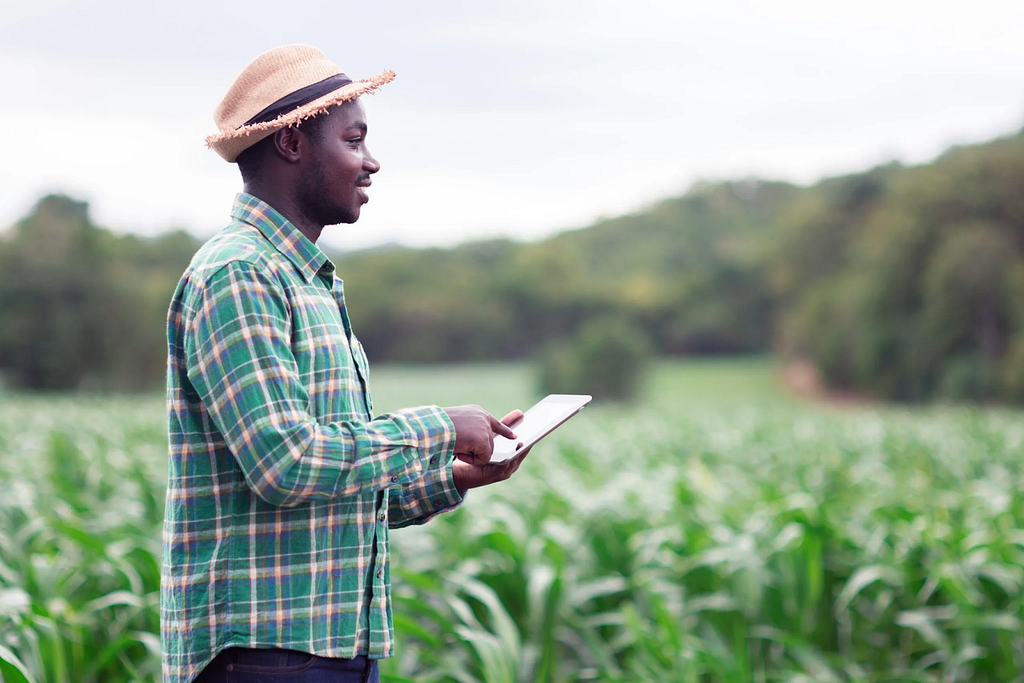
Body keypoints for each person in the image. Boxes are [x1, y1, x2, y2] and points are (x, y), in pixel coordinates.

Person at [161, 45, 530, 683]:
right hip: (262, 656)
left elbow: (337, 490)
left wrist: (456, 477)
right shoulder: (240, 275)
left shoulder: (309, 283)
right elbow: (287, 464)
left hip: (325, 650)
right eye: (354, 140)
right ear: (293, 144)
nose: (372, 161)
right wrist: (439, 426)